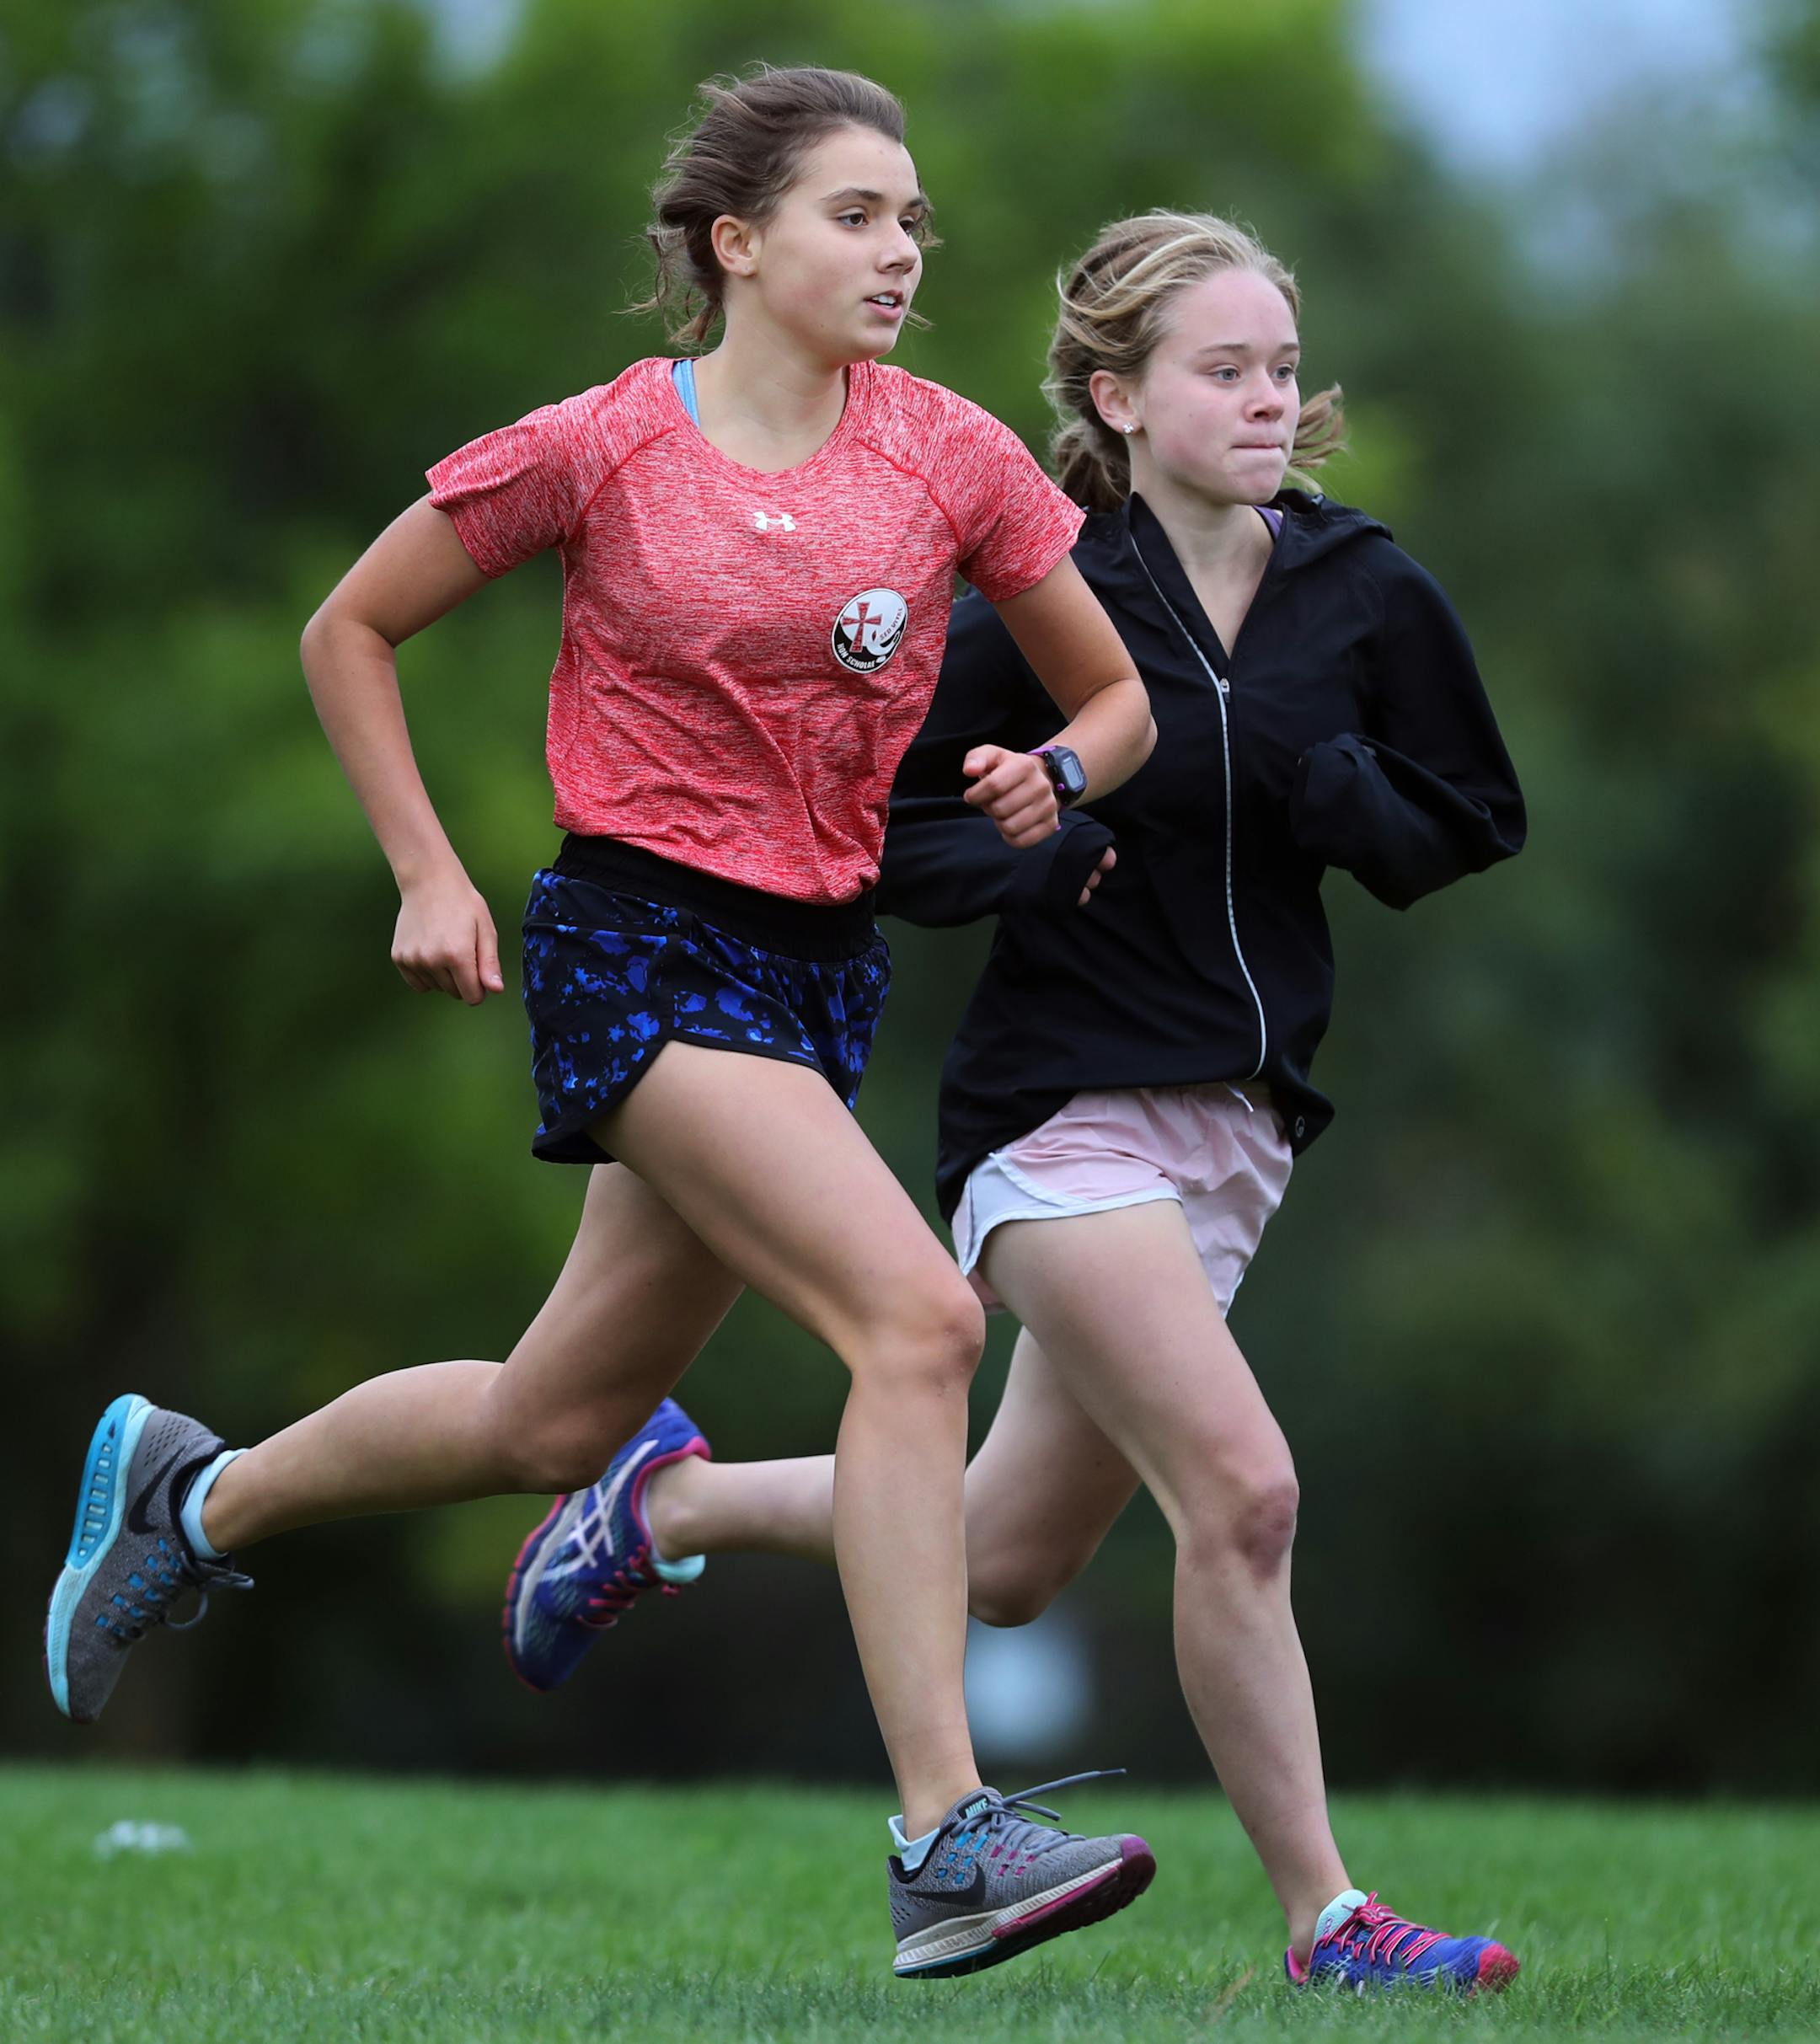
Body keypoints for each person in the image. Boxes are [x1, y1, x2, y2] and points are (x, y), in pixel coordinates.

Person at [41, 67, 1163, 1982]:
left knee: (552, 1417)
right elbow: (348, 630)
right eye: (857, 216)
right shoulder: (601, 444)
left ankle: (192, 1488)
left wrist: (1060, 771)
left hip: (815, 971)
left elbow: (1120, 697)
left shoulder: (958, 457)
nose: (902, 253)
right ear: (739, 245)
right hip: (637, 945)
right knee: (919, 1321)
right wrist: (425, 867)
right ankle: (947, 1835)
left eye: (913, 224)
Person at [502, 209, 1528, 1995]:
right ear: (1118, 396)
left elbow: (1469, 815)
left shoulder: (1364, 587)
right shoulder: (1046, 598)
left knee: (1010, 1556)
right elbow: (874, 827)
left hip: (1242, 1124)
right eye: (1227, 369)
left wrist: (1338, 787)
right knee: (1245, 1490)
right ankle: (1333, 1923)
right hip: (1058, 1120)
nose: (1271, 399)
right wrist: (1035, 853)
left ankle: (658, 1511)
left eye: (1284, 366)